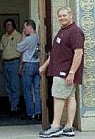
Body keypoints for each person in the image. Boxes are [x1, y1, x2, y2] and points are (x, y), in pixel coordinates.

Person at [38, 7, 84, 138]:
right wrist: (45, 65)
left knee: (58, 97)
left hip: (64, 72)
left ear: (71, 15)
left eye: (64, 15)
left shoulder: (75, 31)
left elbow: (78, 53)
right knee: (70, 97)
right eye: (59, 16)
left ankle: (55, 127)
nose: (61, 18)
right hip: (60, 70)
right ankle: (69, 127)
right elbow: (55, 53)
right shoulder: (62, 31)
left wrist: (71, 72)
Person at [17, 19, 42, 121]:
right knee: (37, 90)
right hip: (38, 64)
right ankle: (39, 112)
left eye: (25, 27)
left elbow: (19, 48)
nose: (24, 29)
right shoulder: (39, 37)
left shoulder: (28, 39)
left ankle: (30, 113)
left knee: (27, 90)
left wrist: (23, 36)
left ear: (29, 27)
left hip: (28, 65)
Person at [0, 18, 22, 115]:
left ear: (13, 26)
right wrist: (0, 64)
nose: (8, 27)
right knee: (7, 86)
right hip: (5, 63)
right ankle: (12, 104)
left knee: (15, 85)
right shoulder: (4, 37)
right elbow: (1, 51)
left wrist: (20, 66)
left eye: (10, 25)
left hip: (14, 62)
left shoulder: (18, 36)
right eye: (6, 25)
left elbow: (21, 52)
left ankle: (14, 106)